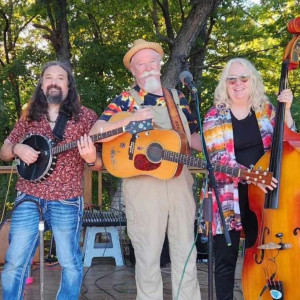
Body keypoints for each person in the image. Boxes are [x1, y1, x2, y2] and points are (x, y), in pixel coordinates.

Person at [89, 39, 202, 299]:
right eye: (140, 64)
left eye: (152, 61)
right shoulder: (125, 100)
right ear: (133, 71)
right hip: (142, 184)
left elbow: (193, 137)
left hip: (180, 180)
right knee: (148, 254)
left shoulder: (178, 97)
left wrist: (216, 149)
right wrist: (129, 119)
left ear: (160, 64)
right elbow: (96, 133)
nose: (147, 67)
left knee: (186, 250)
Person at [0, 61, 102, 300]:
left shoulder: (86, 117)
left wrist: (90, 158)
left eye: (60, 77)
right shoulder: (29, 116)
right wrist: (17, 148)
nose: (54, 81)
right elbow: (4, 151)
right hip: (28, 195)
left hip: (66, 198)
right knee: (15, 260)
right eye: (48, 77)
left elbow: (99, 163)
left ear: (69, 85)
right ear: (42, 84)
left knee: (69, 261)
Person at [202, 57, 295, 300]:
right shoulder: (214, 115)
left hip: (263, 197)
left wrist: (287, 111)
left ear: (252, 80)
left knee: (263, 255)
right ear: (225, 84)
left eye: (243, 78)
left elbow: (288, 142)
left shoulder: (266, 110)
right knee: (225, 261)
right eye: (231, 78)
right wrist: (254, 176)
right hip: (227, 198)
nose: (238, 83)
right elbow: (218, 161)